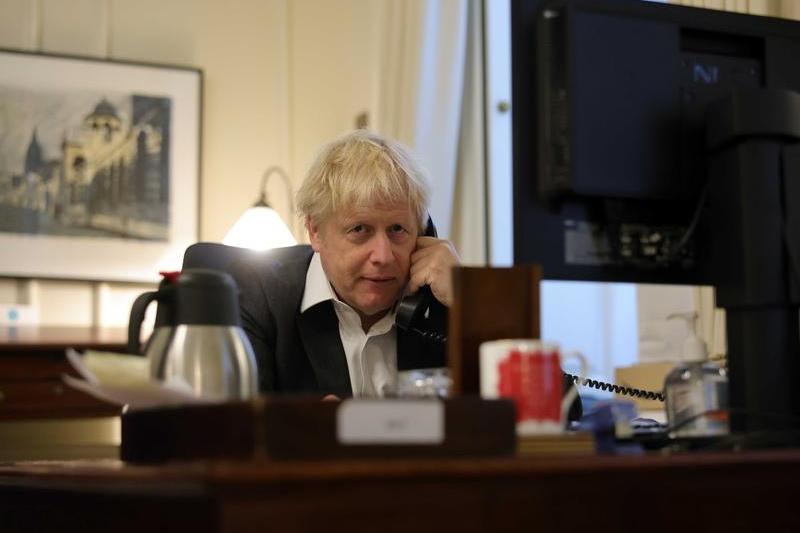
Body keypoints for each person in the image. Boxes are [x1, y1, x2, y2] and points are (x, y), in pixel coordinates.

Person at [229, 130, 458, 399]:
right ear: (315, 231)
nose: (383, 256)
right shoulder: (255, 297)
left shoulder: (444, 305)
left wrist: (466, 301)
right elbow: (240, 429)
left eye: (397, 229)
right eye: (360, 229)